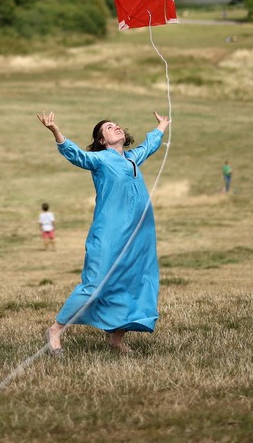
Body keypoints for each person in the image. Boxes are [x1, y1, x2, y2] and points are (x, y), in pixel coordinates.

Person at [37, 110, 169, 356]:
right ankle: (55, 330)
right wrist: (56, 131)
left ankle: (117, 338)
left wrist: (161, 126)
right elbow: (76, 155)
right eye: (109, 127)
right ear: (101, 141)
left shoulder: (132, 158)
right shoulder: (100, 161)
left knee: (134, 283)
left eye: (117, 125)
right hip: (109, 233)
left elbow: (149, 146)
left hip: (139, 235)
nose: (116, 127)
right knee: (95, 283)